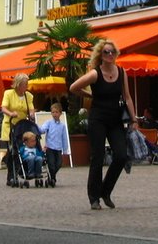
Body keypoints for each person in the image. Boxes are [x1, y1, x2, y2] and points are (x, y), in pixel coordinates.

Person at [70, 39, 135, 210]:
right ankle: (94, 198)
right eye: (106, 52)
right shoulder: (95, 74)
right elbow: (73, 88)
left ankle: (106, 191)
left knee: (121, 155)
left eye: (112, 51)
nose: (110, 54)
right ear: (101, 55)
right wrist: (89, 96)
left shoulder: (121, 72)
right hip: (98, 119)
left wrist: (134, 119)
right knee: (97, 157)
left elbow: (127, 97)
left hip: (115, 120)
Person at [1, 73, 34, 182]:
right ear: (18, 84)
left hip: (23, 126)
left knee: (23, 149)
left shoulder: (28, 96)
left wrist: (32, 114)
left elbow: (31, 109)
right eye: (25, 84)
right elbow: (4, 108)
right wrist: (10, 113)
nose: (26, 86)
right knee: (12, 151)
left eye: (27, 84)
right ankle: (11, 175)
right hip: (10, 126)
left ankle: (23, 170)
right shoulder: (9, 93)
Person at [39, 102, 71, 183]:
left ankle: (52, 176)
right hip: (50, 148)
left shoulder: (62, 126)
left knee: (59, 164)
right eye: (53, 112)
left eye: (56, 112)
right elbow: (43, 129)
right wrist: (38, 129)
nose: (54, 114)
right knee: (51, 164)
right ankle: (52, 178)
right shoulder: (48, 123)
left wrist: (65, 149)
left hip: (58, 148)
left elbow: (64, 138)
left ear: (60, 113)